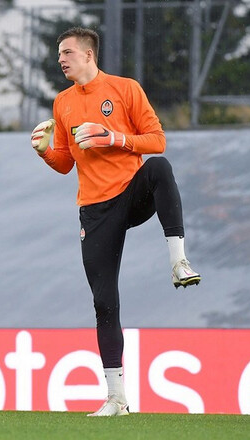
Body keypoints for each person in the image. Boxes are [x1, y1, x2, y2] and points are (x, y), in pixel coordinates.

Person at [31, 27, 201, 417]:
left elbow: (156, 140)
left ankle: (179, 261)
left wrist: (114, 138)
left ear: (88, 55)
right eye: (59, 53)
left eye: (67, 52)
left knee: (159, 168)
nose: (61, 59)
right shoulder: (63, 102)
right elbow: (65, 162)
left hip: (130, 194)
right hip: (94, 210)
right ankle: (117, 398)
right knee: (104, 302)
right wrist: (45, 152)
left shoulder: (125, 89)